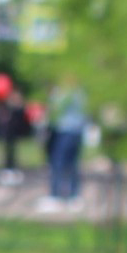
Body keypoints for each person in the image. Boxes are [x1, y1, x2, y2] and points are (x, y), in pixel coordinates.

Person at [45, 73, 88, 203]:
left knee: (59, 162)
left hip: (65, 131)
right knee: (72, 163)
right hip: (75, 131)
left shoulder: (66, 94)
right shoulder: (80, 94)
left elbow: (55, 109)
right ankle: (74, 194)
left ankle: (56, 194)